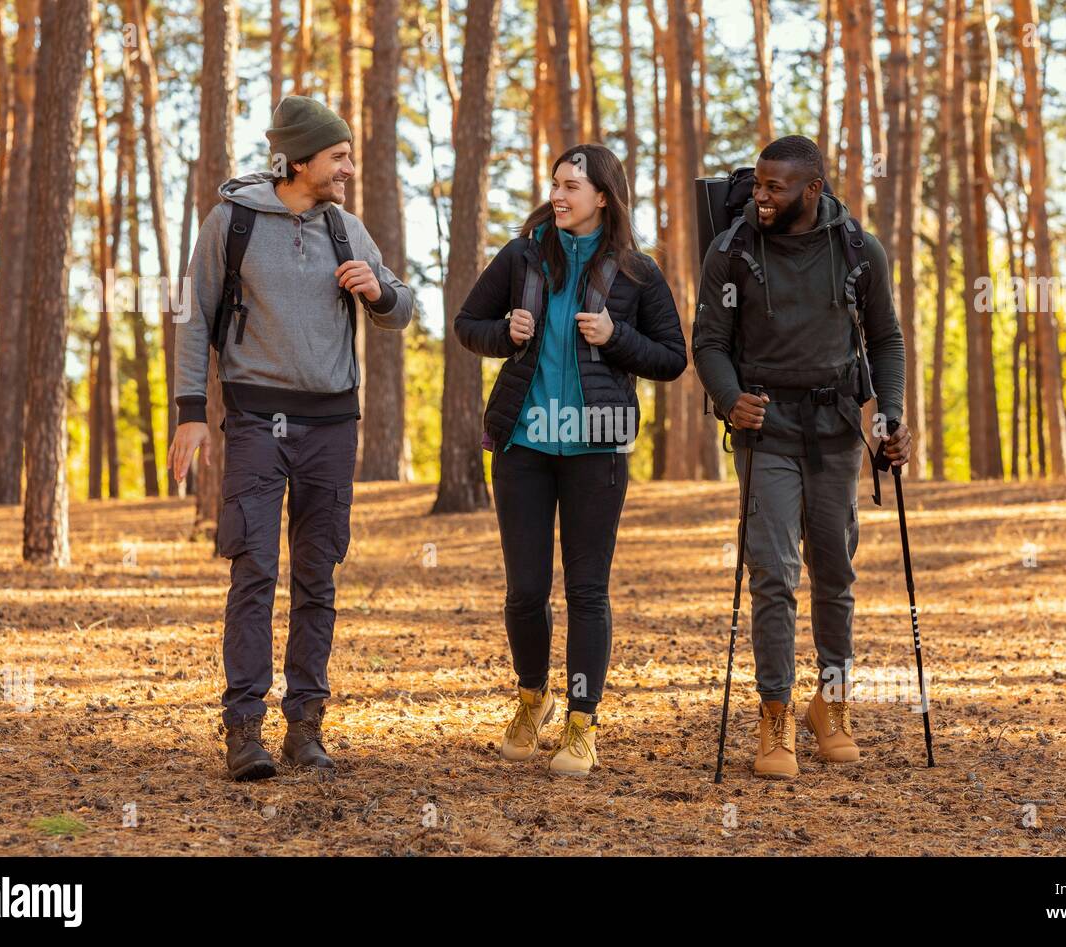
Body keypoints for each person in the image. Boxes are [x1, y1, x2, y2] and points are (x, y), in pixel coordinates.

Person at [168, 95, 414, 781]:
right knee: (254, 568)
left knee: (317, 573)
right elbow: (194, 318)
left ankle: (305, 725)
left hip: (332, 426)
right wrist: (192, 410)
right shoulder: (232, 222)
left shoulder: (346, 229)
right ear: (300, 159)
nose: (348, 167)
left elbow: (404, 306)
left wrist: (380, 292)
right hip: (254, 422)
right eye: (338, 156)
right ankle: (243, 728)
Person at [454, 144, 686, 776]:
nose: (558, 195)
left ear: (603, 197)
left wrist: (618, 338)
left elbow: (672, 358)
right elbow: (466, 324)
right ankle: (533, 698)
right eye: (555, 184)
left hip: (598, 447)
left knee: (587, 589)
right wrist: (506, 334)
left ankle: (582, 723)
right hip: (522, 446)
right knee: (526, 590)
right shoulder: (523, 256)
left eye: (572, 187)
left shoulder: (638, 271)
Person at [692, 135, 912, 778]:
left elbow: (886, 337)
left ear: (812, 189)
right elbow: (707, 341)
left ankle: (833, 704)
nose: (760, 196)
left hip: (837, 428)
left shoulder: (856, 251)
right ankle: (776, 715)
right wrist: (731, 398)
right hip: (767, 433)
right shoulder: (730, 250)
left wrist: (889, 414)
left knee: (836, 573)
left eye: (774, 187)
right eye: (756, 185)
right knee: (773, 572)